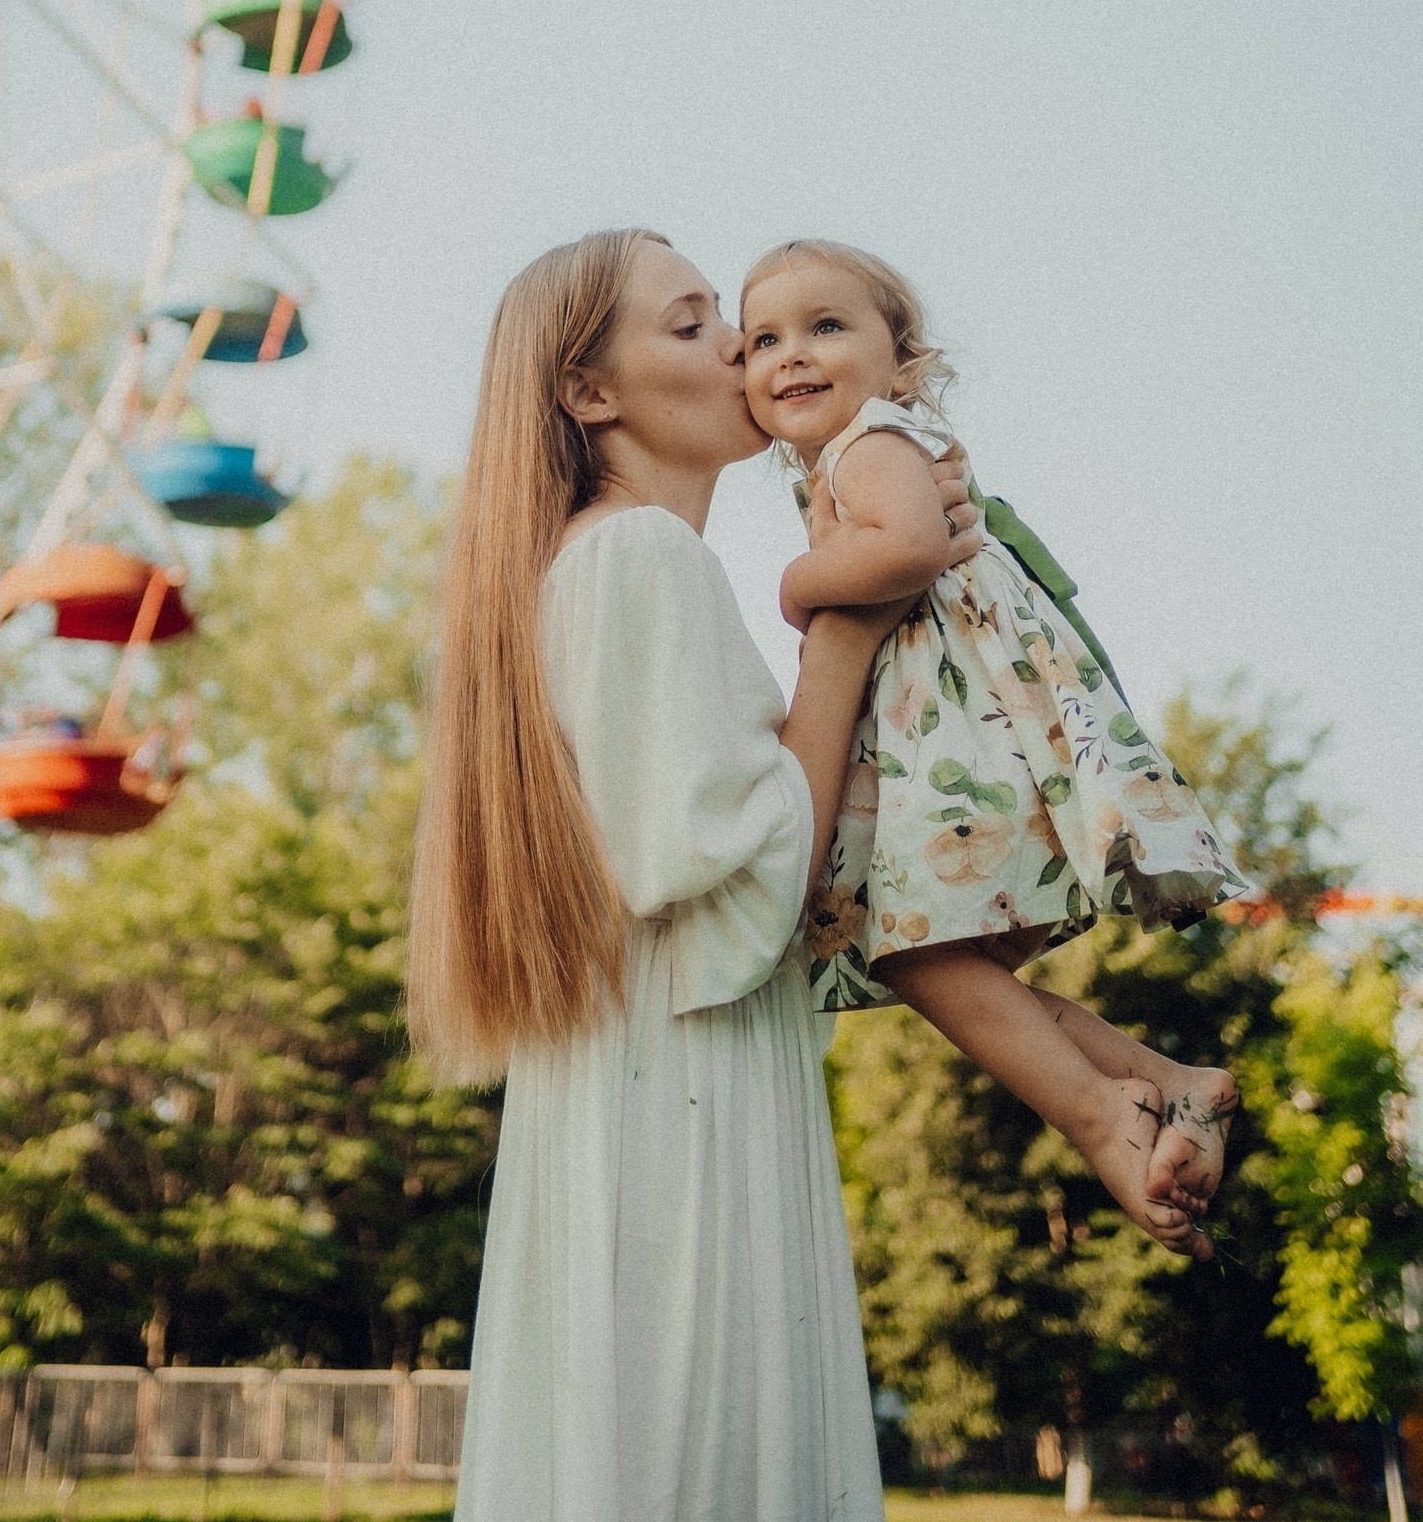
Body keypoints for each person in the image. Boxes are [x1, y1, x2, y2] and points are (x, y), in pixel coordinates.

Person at [409, 229, 984, 1521]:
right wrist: (845, 627)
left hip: (628, 1091)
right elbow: (751, 875)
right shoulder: (640, 559)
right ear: (586, 391)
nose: (740, 347)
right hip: (687, 1107)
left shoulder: (587, 568)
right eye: (689, 326)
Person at [740, 236, 1245, 1256]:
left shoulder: (872, 442)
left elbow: (911, 548)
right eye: (761, 340)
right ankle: (1165, 1083)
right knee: (949, 971)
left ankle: (1101, 1115)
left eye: (825, 326)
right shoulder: (854, 454)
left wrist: (797, 585)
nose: (790, 353)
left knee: (922, 958)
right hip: (954, 749)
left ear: (901, 359)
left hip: (965, 751)